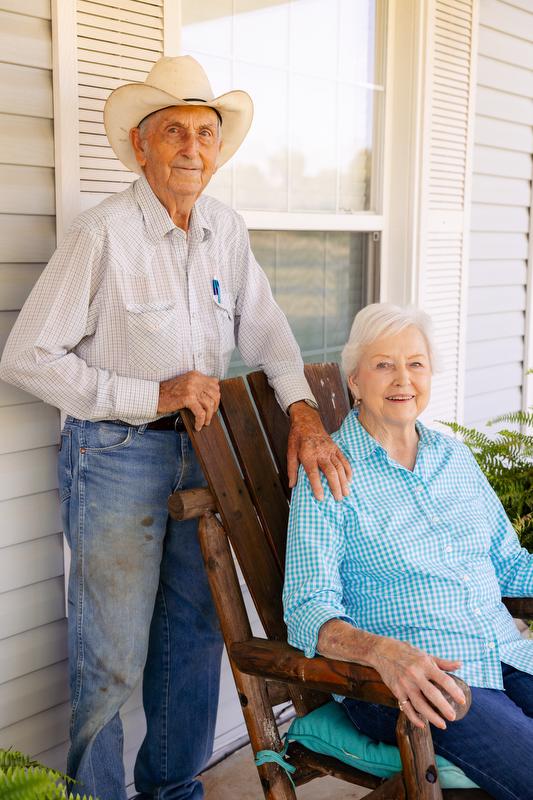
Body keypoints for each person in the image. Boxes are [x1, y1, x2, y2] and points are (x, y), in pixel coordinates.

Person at [0, 56, 352, 800]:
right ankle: (92, 796)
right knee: (113, 655)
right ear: (140, 146)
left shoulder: (224, 228)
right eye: (173, 133)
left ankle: (172, 791)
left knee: (191, 643)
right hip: (115, 455)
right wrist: (147, 390)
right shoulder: (102, 234)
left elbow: (267, 334)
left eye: (204, 133)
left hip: (204, 457)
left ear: (218, 150)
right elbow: (27, 356)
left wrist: (302, 414)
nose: (192, 148)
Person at [283, 303, 533, 800]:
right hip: (418, 682)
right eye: (384, 365)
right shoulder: (330, 473)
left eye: (415, 363)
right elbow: (306, 608)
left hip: (506, 653)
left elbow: (510, 564)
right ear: (354, 380)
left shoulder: (453, 457)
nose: (403, 379)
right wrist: (381, 652)